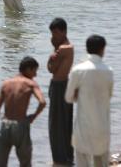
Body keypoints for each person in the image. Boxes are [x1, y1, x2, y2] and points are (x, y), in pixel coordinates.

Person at [65, 35, 112, 167]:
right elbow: (109, 95)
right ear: (103, 49)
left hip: (83, 127)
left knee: (82, 162)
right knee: (101, 163)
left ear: (86, 49)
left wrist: (78, 94)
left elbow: (68, 98)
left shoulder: (78, 70)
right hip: (102, 126)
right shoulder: (109, 71)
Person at [0, 56, 46, 167]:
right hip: (21, 125)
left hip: (5, 125)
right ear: (28, 69)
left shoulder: (6, 84)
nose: (35, 75)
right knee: (25, 163)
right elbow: (42, 102)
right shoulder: (30, 83)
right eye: (34, 71)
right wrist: (33, 117)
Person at [47, 18, 74, 166]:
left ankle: (59, 158)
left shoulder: (64, 48)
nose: (53, 36)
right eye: (52, 33)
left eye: (56, 33)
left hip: (59, 85)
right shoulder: (64, 46)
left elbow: (51, 68)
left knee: (56, 123)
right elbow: (52, 68)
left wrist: (52, 57)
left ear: (64, 31)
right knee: (65, 121)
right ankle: (68, 155)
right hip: (63, 84)